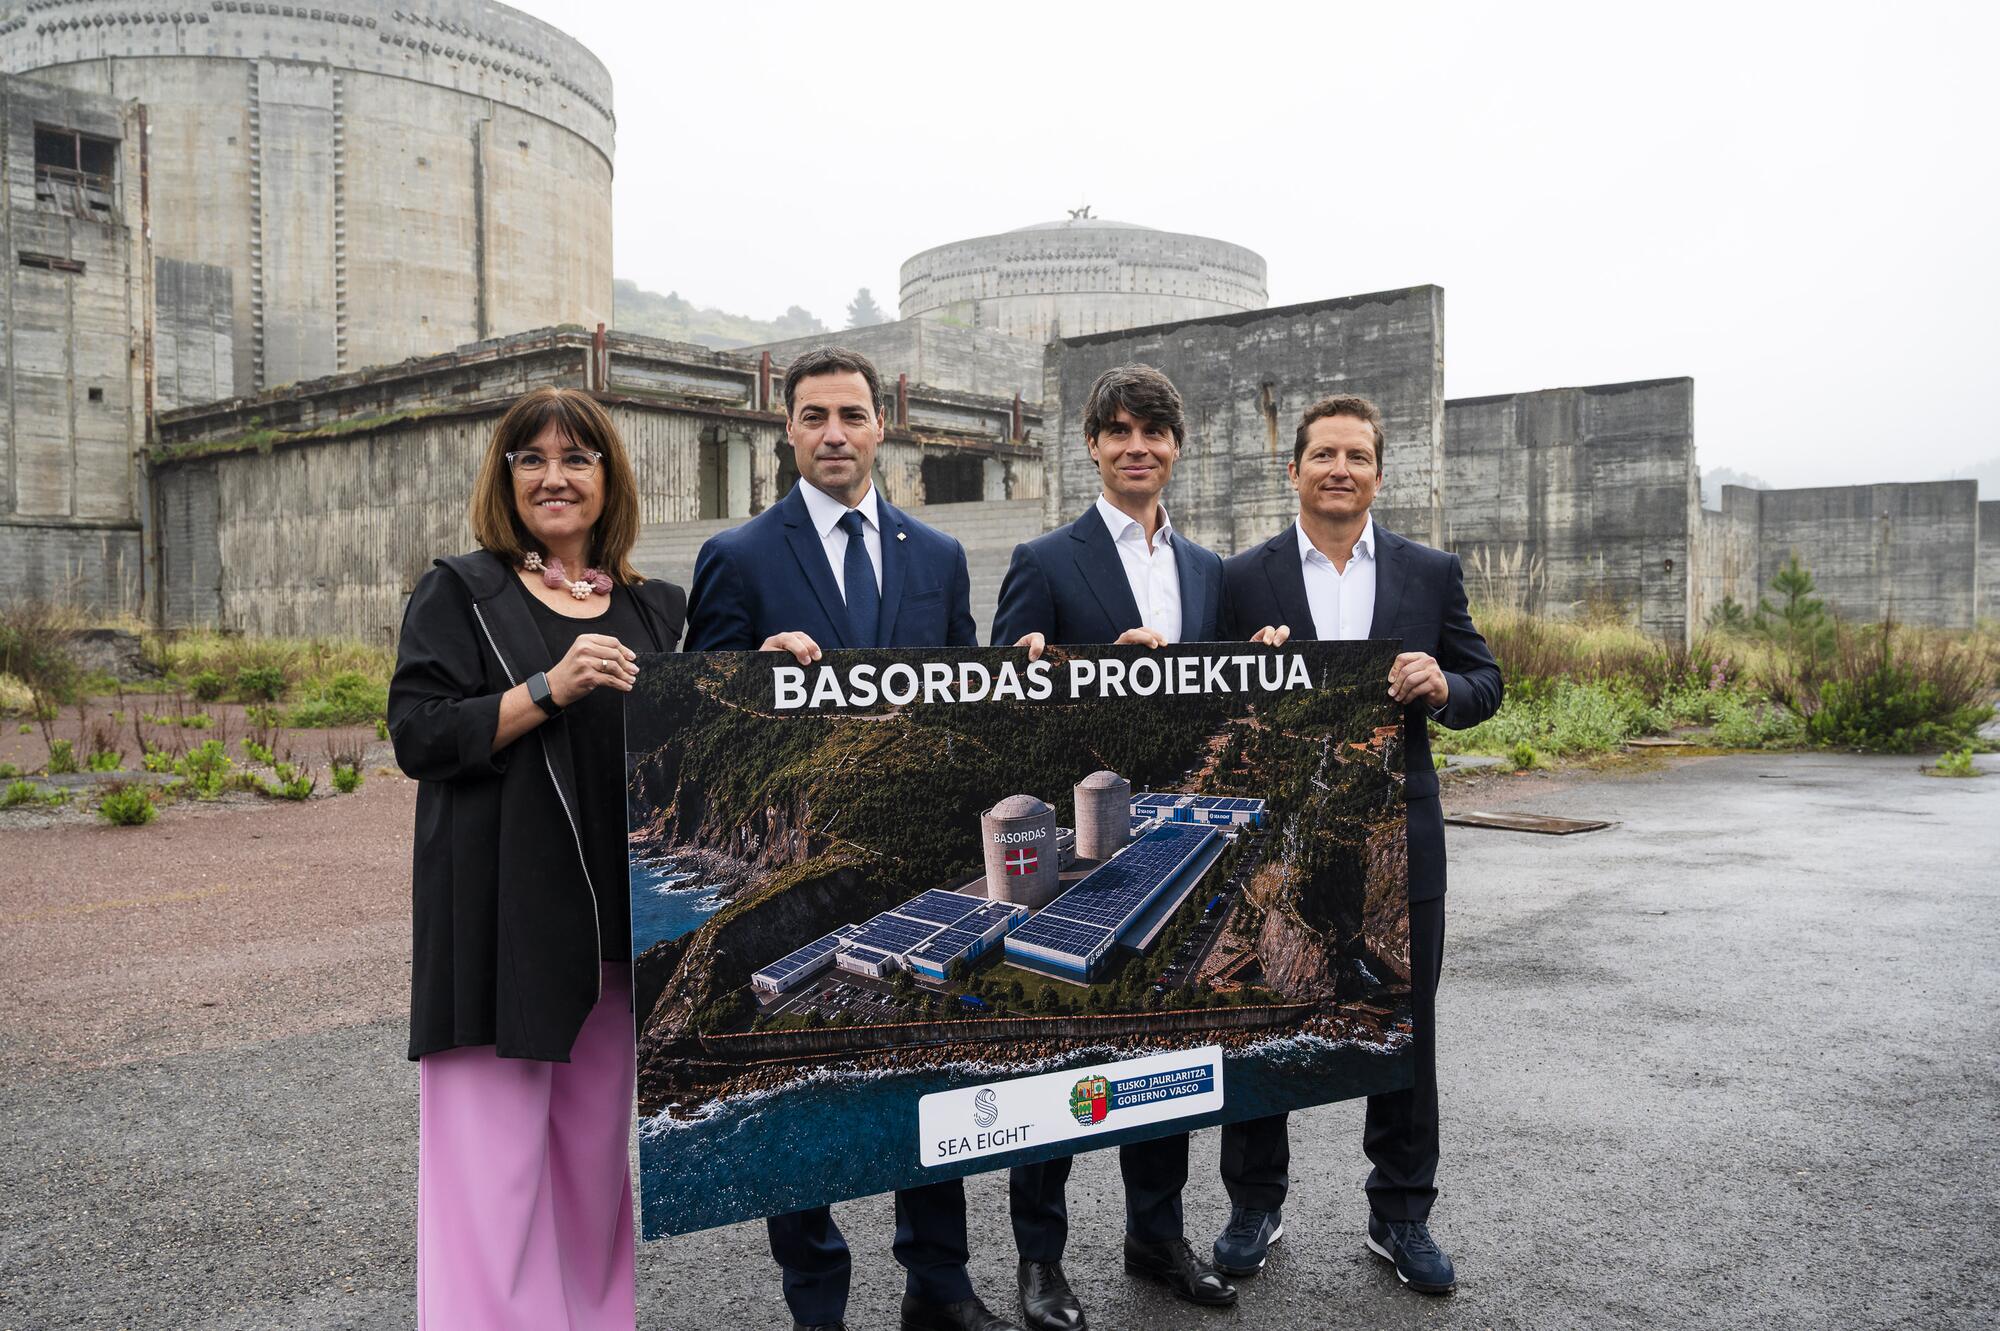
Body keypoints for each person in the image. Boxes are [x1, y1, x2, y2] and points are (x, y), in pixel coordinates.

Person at [684, 347, 1006, 1331]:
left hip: (915, 855)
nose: (833, 432)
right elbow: (693, 711)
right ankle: (815, 1302)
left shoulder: (938, 556)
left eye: (851, 415)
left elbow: (967, 704)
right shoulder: (737, 557)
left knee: (927, 1065)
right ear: (786, 429)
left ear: (880, 427)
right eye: (814, 415)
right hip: (800, 861)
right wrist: (748, 670)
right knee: (798, 1076)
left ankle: (938, 1286)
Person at [388, 387, 687, 1330]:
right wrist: (545, 689)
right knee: (493, 1178)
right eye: (531, 458)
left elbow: (694, 733)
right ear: (505, 477)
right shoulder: (460, 591)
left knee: (593, 1174)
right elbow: (419, 734)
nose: (554, 477)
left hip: (612, 936)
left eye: (577, 457)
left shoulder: (655, 609)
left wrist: (773, 657)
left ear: (610, 477)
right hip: (499, 925)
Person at [992, 363, 1276, 1330]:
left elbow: (1226, 697)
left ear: (1176, 447)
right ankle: (1041, 1264)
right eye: (1117, 431)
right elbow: (1006, 707)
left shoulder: (1210, 571)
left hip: (1166, 821)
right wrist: (1074, 676)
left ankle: (1157, 1236)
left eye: (1153, 431)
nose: (1136, 447)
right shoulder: (1043, 558)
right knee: (1055, 1062)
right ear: (1092, 445)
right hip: (1078, 830)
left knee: (1160, 1045)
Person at [1210, 393, 1501, 1295]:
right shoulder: (1241, 577)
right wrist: (1244, 671)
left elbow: (1488, 679)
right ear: (1291, 469)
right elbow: (1203, 703)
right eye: (1323, 454)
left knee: (1405, 1026)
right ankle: (1256, 1203)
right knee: (1264, 1015)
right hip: (1280, 832)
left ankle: (1400, 1213)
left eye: (1358, 456)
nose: (1341, 469)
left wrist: (1442, 683)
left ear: (1379, 473)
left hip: (1398, 834)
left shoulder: (1429, 570)